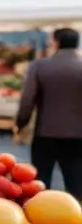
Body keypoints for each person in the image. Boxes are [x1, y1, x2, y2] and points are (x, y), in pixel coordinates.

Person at [15, 28, 82, 198]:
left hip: (45, 133)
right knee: (76, 179)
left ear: (56, 42)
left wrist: (21, 123)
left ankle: (42, 217)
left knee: (41, 180)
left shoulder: (40, 66)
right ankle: (76, 217)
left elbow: (27, 100)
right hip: (78, 135)